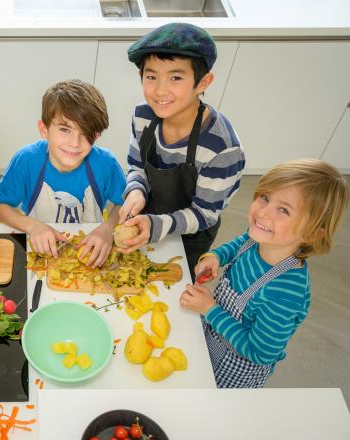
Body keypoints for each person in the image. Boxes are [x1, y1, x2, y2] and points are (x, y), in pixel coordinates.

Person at [180, 159, 349, 388]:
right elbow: (239, 244)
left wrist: (210, 309)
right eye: (265, 198)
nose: (263, 213)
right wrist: (216, 257)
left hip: (233, 374)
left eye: (284, 210)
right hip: (213, 334)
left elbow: (258, 352)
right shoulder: (257, 238)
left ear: (311, 234)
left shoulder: (285, 294)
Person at [118, 22, 245, 277]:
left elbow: (205, 213)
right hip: (148, 216)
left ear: (203, 82)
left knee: (172, 284)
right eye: (151, 76)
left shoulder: (222, 148)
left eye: (175, 77)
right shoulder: (143, 115)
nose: (160, 90)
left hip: (190, 233)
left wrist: (156, 225)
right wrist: (135, 191)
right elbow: (137, 166)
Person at [0, 79, 126, 268]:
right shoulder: (27, 160)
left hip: (91, 254)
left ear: (96, 135)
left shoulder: (106, 164)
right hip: (39, 253)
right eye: (65, 129)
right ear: (44, 130)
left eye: (86, 133)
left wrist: (108, 228)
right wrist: (32, 226)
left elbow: (125, 203)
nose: (75, 143)